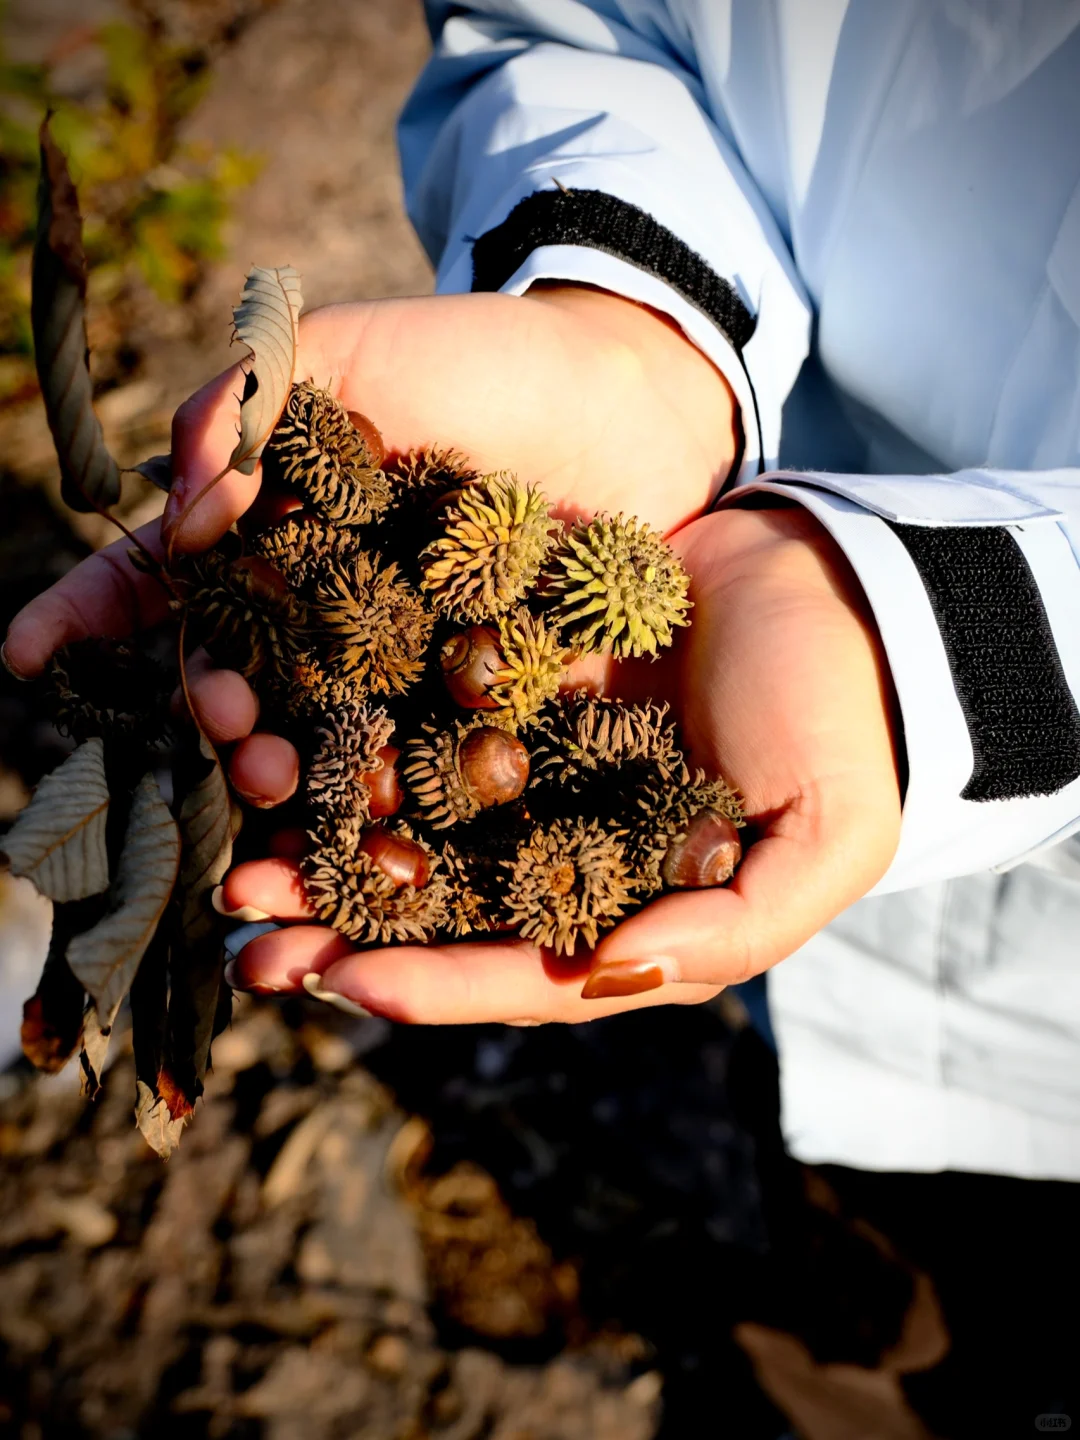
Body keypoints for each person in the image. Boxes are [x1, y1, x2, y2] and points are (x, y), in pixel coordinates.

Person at [5, 1, 1080, 1188]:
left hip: (1047, 998)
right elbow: (582, 22)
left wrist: (944, 656)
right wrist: (626, 313)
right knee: (836, 1187)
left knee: (998, 1229)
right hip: (719, 578)